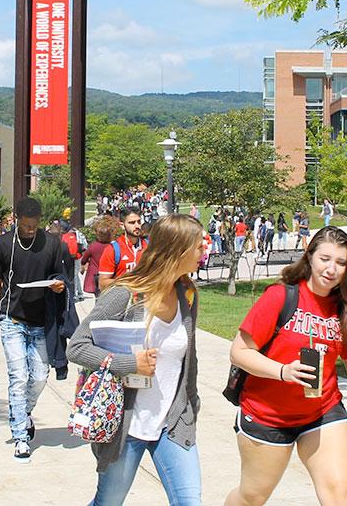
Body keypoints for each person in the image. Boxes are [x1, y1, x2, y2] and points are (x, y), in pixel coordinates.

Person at [224, 226, 347, 506]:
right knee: (252, 497)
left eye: (341, 262)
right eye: (325, 259)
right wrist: (284, 372)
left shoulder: (344, 309)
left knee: (339, 495)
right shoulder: (281, 297)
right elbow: (239, 352)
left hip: (322, 411)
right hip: (268, 416)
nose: (332, 268)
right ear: (310, 257)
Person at [68, 214, 207, 505]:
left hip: (172, 422)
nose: (204, 251)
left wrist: (190, 409)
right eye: (198, 246)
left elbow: (188, 362)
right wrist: (129, 364)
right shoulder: (125, 294)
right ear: (177, 249)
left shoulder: (188, 295)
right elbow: (77, 347)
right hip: (126, 426)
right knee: (108, 502)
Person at [0, 197, 72, 462]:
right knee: (19, 377)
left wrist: (58, 284)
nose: (31, 230)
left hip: (42, 322)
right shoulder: (1, 246)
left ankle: (24, 412)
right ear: (16, 219)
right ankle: (21, 437)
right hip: (12, 320)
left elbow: (61, 277)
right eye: (26, 225)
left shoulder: (53, 244)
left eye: (35, 225)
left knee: (40, 376)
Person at [99, 209, 147, 292]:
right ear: (122, 225)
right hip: (123, 300)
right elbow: (102, 283)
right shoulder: (113, 249)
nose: (137, 226)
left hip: (145, 300)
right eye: (132, 223)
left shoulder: (149, 246)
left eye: (139, 222)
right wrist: (129, 282)